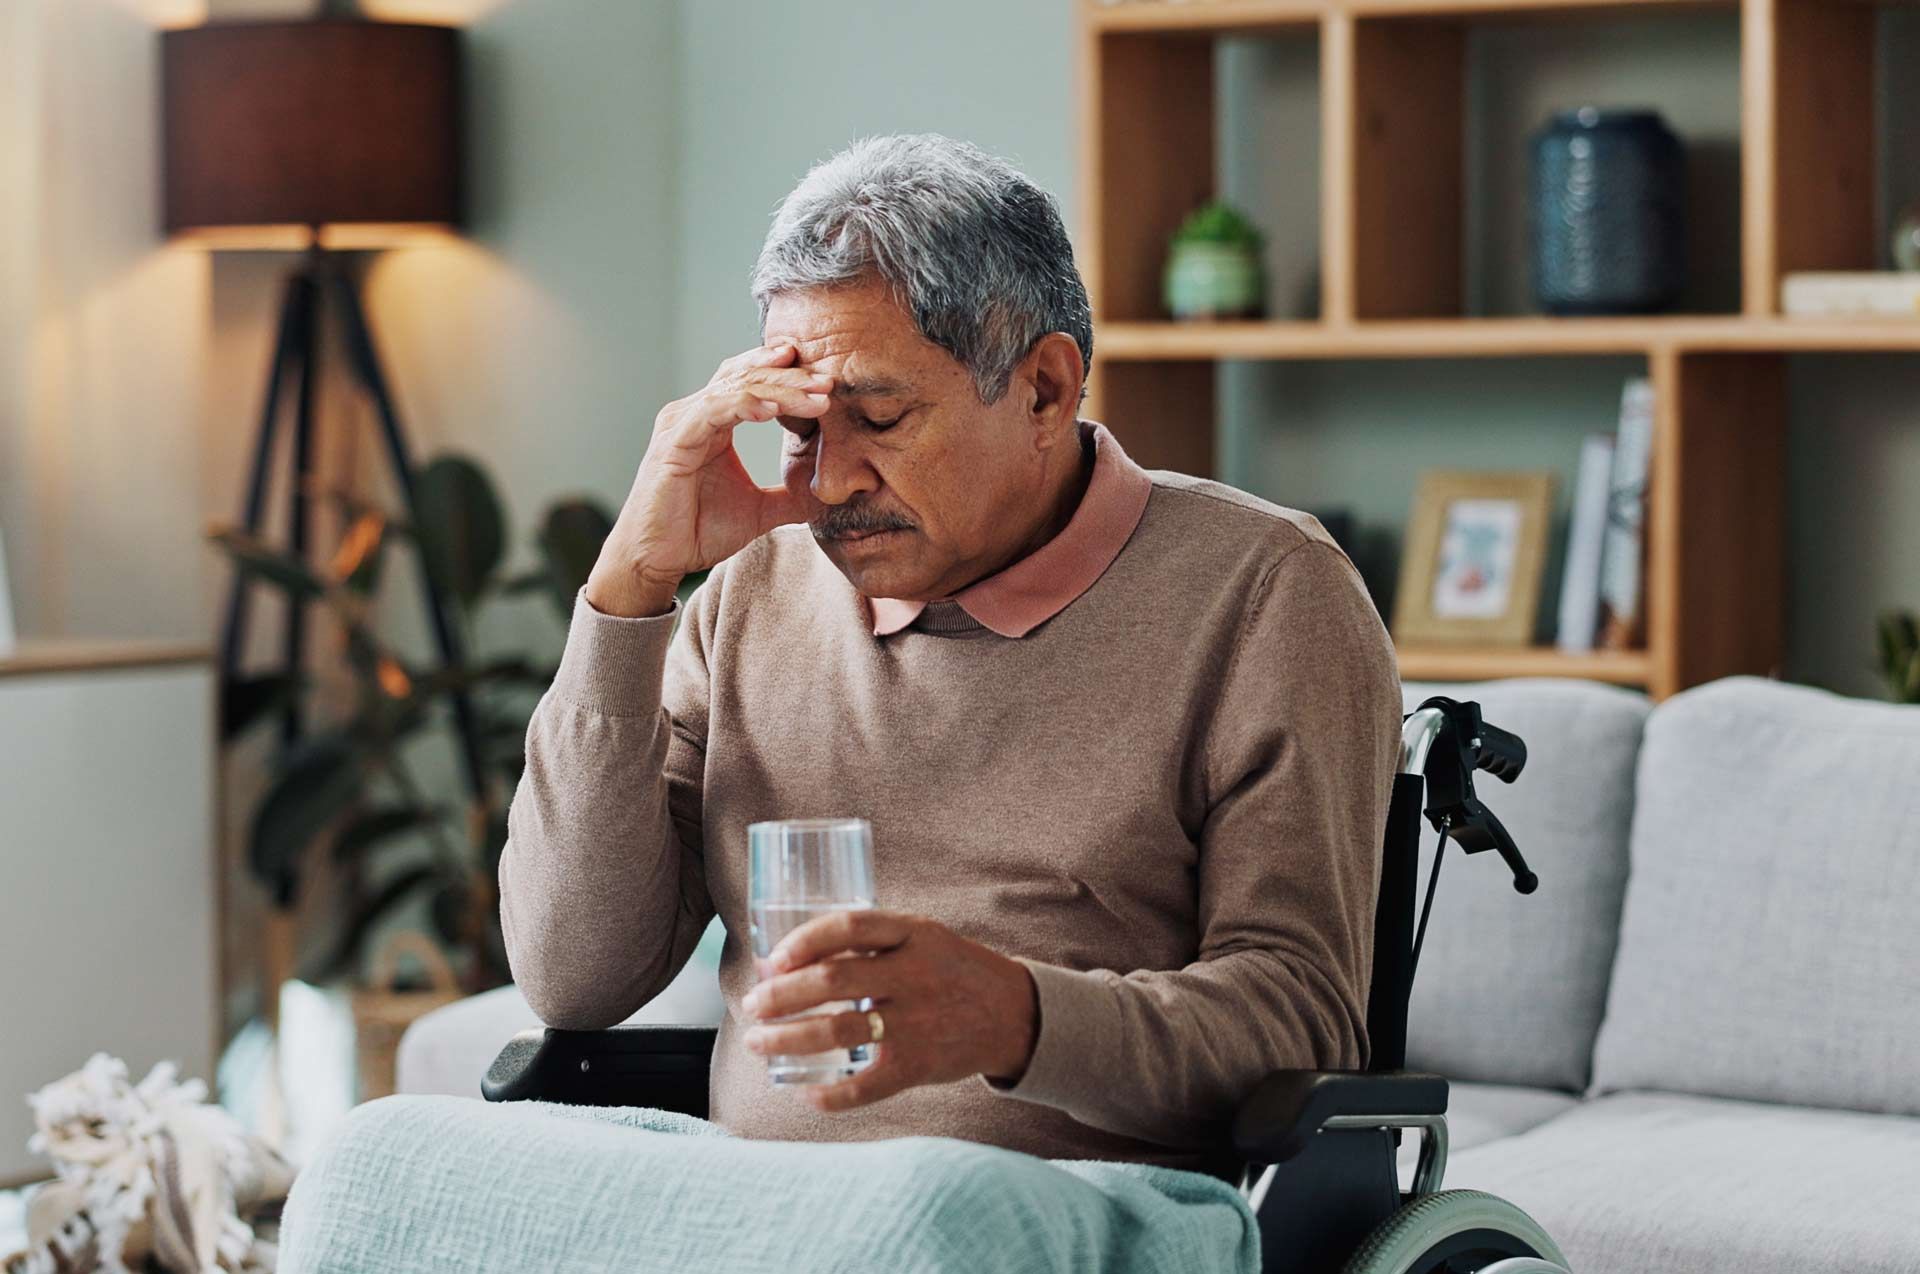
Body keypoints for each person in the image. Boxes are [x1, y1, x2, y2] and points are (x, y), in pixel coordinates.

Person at [279, 133, 1400, 1273]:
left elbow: (1299, 1021)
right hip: (765, 1206)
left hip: (1093, 1204)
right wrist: (630, 588)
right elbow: (575, 974)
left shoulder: (1267, 590)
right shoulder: (753, 594)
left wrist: (1014, 1014)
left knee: (916, 1214)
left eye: (880, 416)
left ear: (1046, 389)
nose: (828, 480)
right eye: (802, 425)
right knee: (375, 1159)